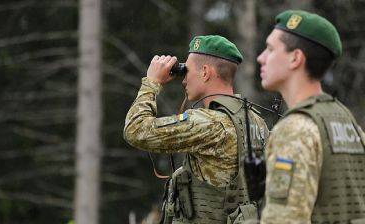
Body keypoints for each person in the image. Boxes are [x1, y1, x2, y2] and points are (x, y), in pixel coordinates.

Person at [124, 35, 269, 224]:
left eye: (187, 71)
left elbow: (135, 130)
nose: (183, 80)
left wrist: (152, 82)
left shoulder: (209, 123)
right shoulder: (256, 121)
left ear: (205, 72)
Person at [257, 10, 365, 223]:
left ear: (295, 58)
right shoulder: (345, 119)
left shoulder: (295, 129)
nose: (261, 58)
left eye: (270, 49)